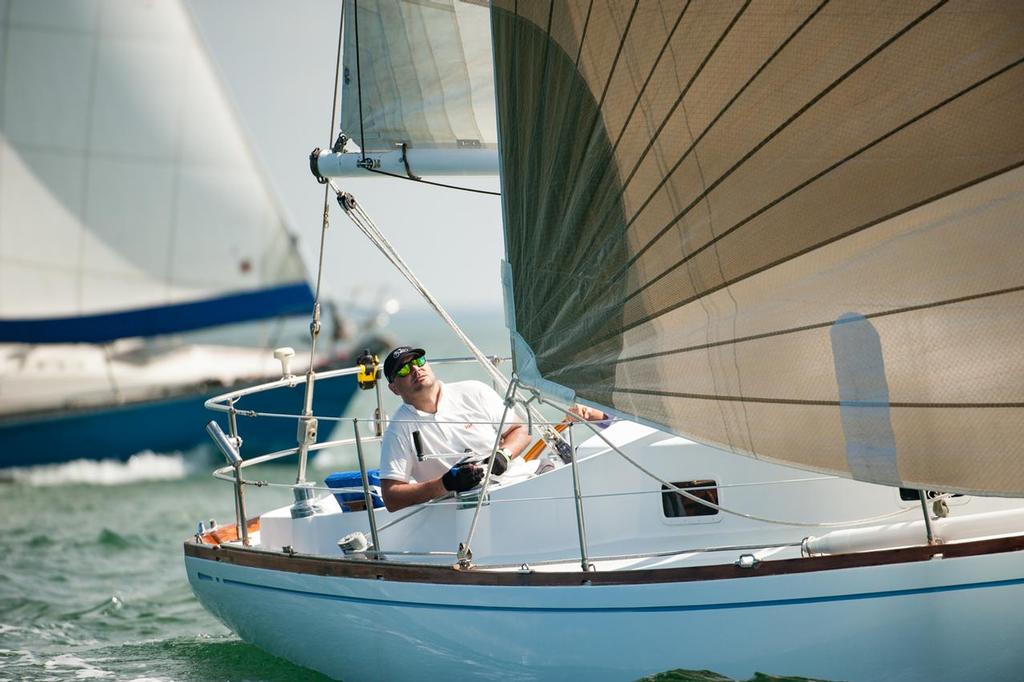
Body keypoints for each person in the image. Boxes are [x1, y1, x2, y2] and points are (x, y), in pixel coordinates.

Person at [377, 346, 531, 512]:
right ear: (393, 388)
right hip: (462, 508)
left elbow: (521, 429)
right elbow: (391, 497)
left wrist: (504, 455)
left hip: (517, 482)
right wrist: (445, 484)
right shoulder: (397, 429)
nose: (415, 369)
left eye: (418, 361)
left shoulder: (474, 391)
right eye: (404, 369)